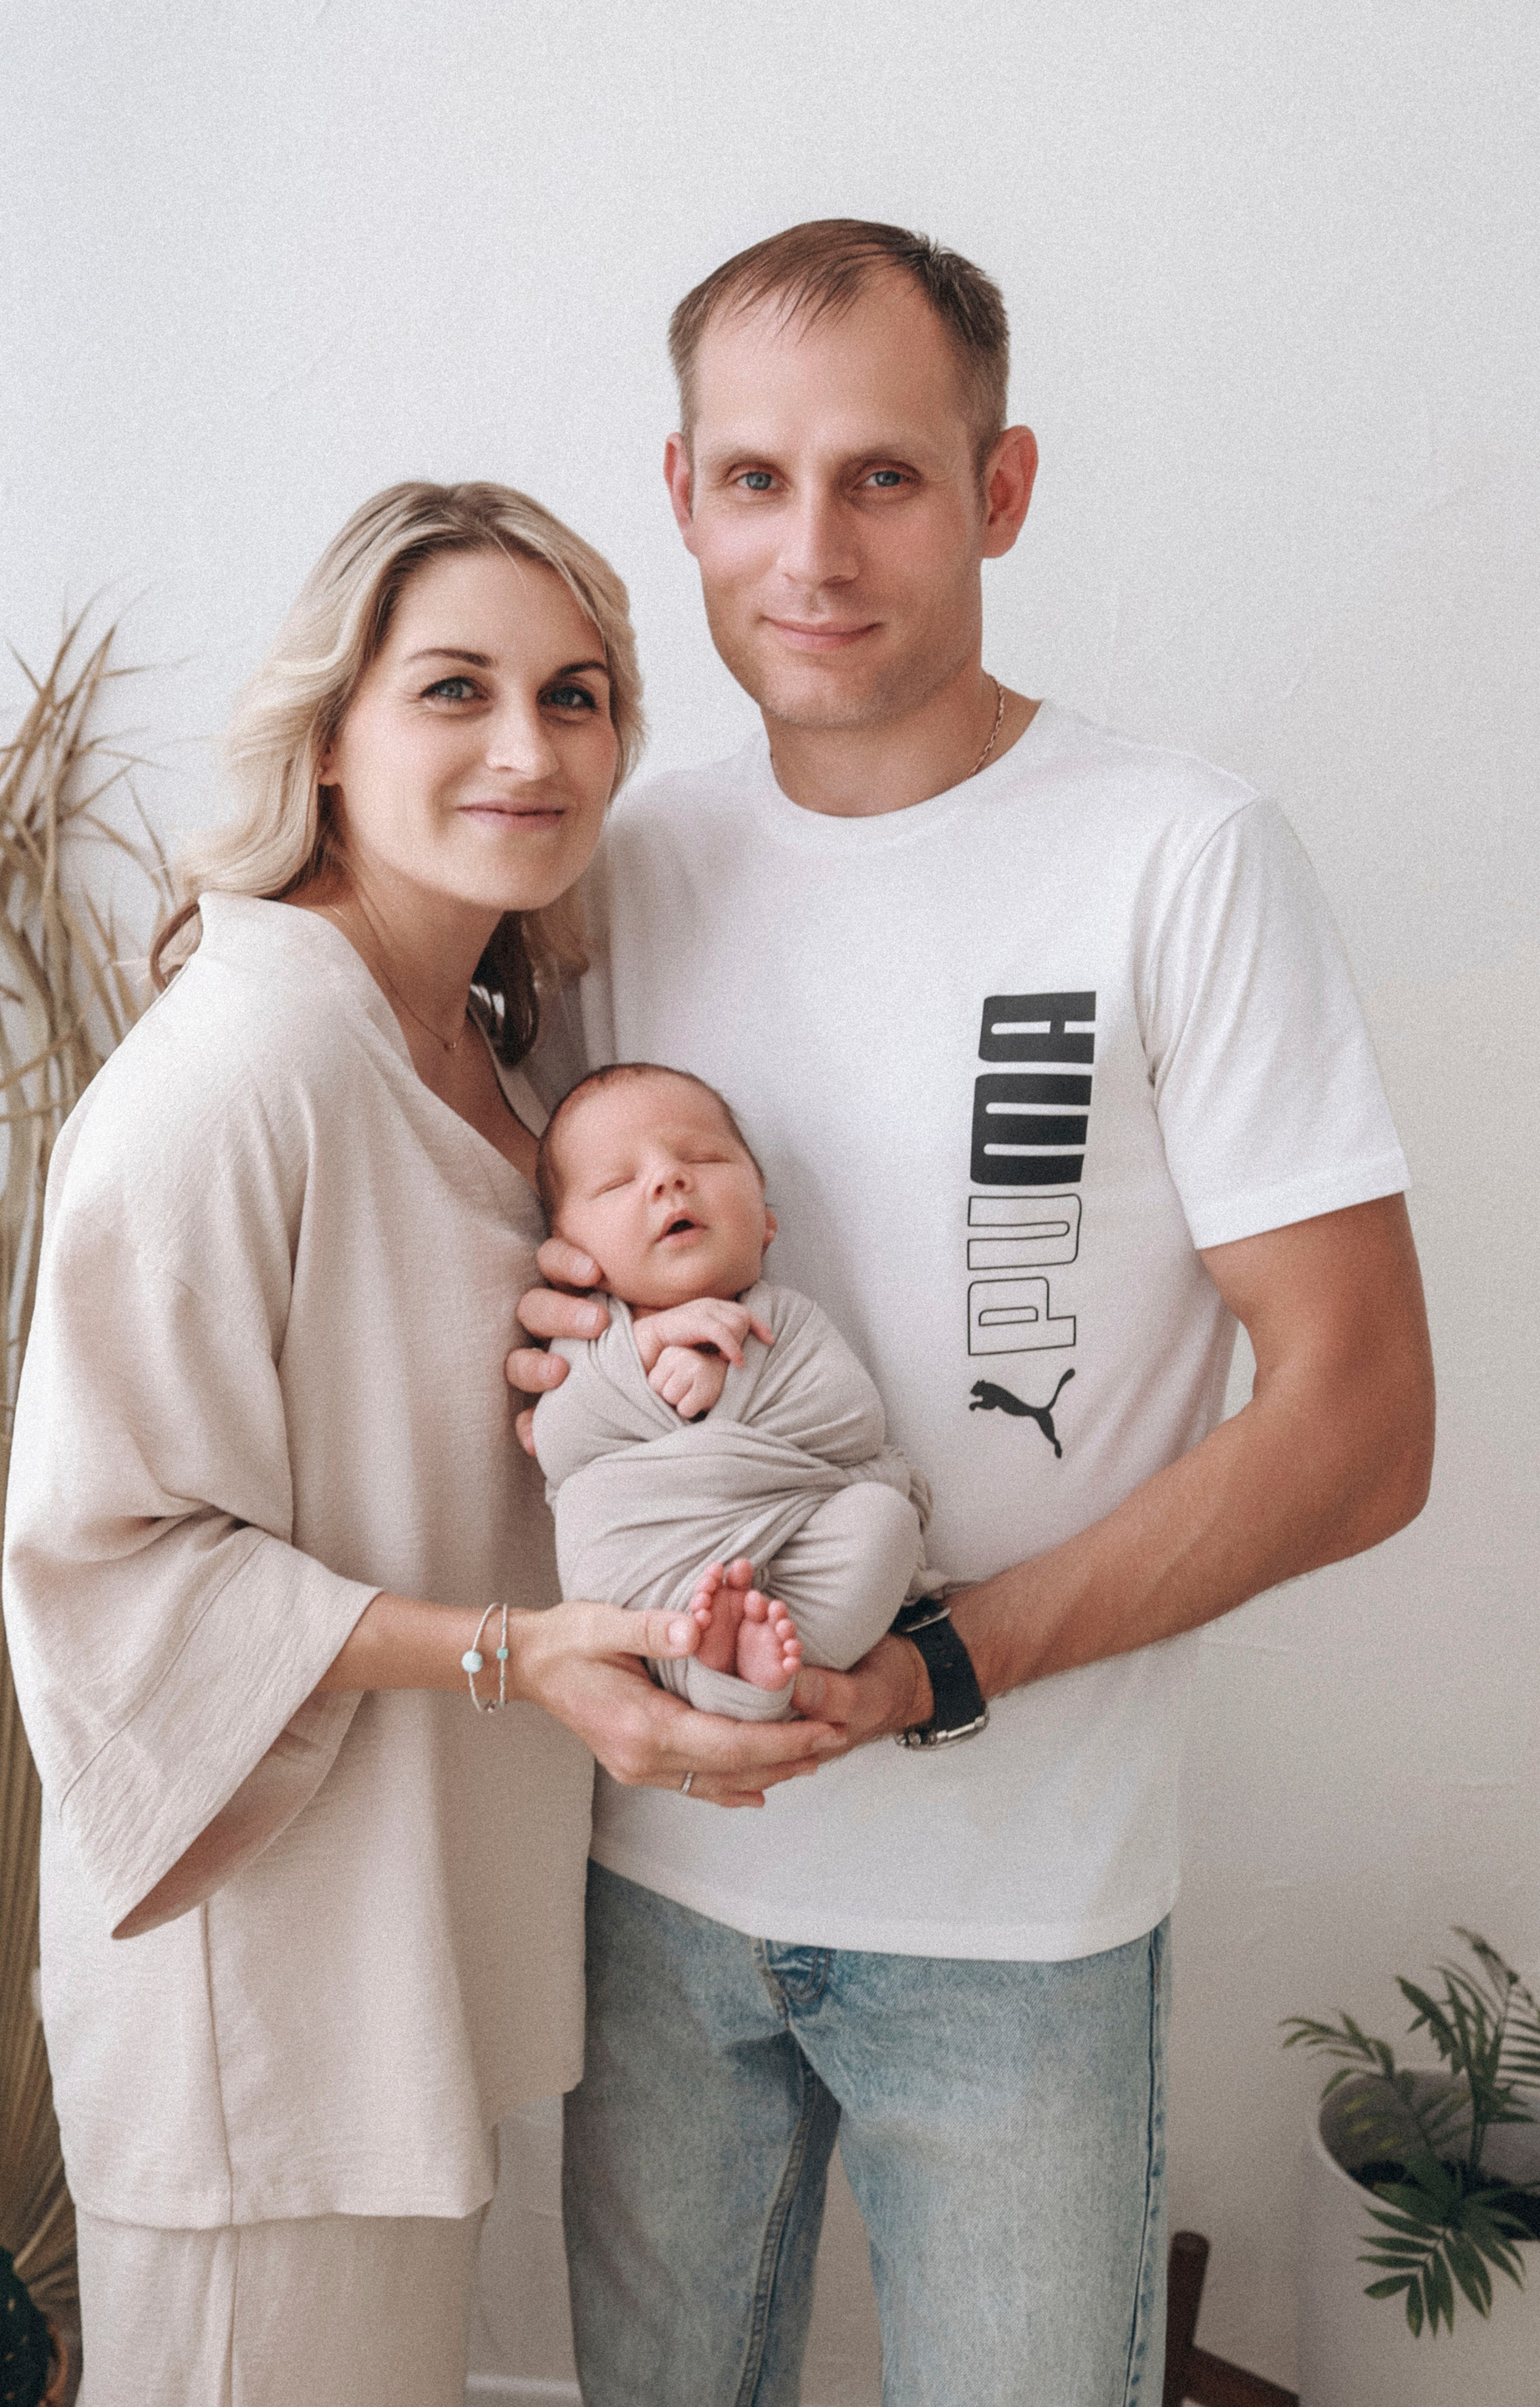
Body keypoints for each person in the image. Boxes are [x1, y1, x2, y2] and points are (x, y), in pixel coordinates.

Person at [506, 223, 1436, 2406]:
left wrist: (939, 1664)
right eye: (756, 480)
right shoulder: (609, 868)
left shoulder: (1179, 855)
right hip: (653, 1876)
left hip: (1021, 1922)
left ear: (1001, 490)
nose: (812, 551)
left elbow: (1363, 1423)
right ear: (681, 496)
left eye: (886, 478)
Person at [1, 480, 837, 2407]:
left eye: (575, 694)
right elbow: (112, 1556)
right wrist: (511, 1651)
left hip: (402, 1971)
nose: (528, 749)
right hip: (265, 2006)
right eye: (455, 688)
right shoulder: (240, 1075)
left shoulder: (503, 1061)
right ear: (328, 736)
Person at [531, 1060, 933, 1719]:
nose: (668, 1178)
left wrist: (731, 1373)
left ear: (766, 1218)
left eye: (703, 1157)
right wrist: (650, 1343)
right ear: (571, 1254)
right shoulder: (590, 1336)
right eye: (617, 1182)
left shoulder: (785, 1318)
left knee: (885, 1522)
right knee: (604, 1569)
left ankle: (752, 1662)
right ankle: (719, 1662)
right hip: (650, 1559)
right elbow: (561, 1445)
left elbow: (851, 1421)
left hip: (795, 1541)